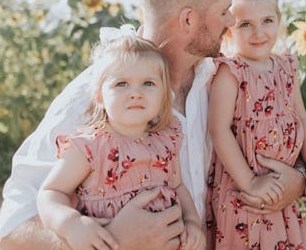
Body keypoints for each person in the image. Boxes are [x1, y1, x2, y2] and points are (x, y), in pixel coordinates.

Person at [0, 0, 306, 250]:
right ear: (188, 20)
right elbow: (13, 230)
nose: (231, 22)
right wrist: (111, 242)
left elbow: (277, 133)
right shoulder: (96, 96)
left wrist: (299, 178)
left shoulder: (224, 77)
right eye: (224, 12)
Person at [36, 33, 204, 250]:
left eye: (148, 83)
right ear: (99, 96)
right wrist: (72, 225)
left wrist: (192, 222)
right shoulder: (90, 147)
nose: (136, 93)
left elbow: (177, 186)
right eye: (122, 84)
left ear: (163, 95)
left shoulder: (166, 140)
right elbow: (51, 192)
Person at [206, 0, 306, 249]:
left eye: (267, 21)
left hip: (282, 184)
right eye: (245, 24)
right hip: (244, 189)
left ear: (279, 21)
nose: (258, 33)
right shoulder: (231, 72)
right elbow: (218, 129)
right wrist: (250, 183)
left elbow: (301, 117)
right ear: (229, 31)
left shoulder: (286, 68)